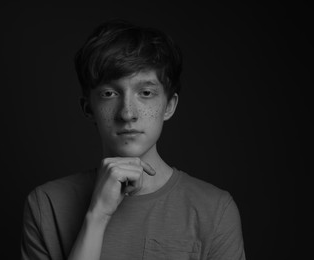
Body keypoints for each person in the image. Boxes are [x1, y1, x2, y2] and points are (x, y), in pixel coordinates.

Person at [21, 19, 246, 260]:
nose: (127, 113)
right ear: (88, 109)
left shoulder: (213, 209)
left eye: (146, 93)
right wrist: (96, 216)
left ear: (169, 106)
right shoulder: (48, 204)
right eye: (109, 94)